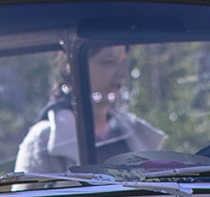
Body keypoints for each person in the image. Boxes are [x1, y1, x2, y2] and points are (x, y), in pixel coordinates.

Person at [15, 44, 165, 174]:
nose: (122, 74)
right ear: (73, 67)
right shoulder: (43, 141)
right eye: (108, 62)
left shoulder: (134, 133)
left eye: (124, 62)